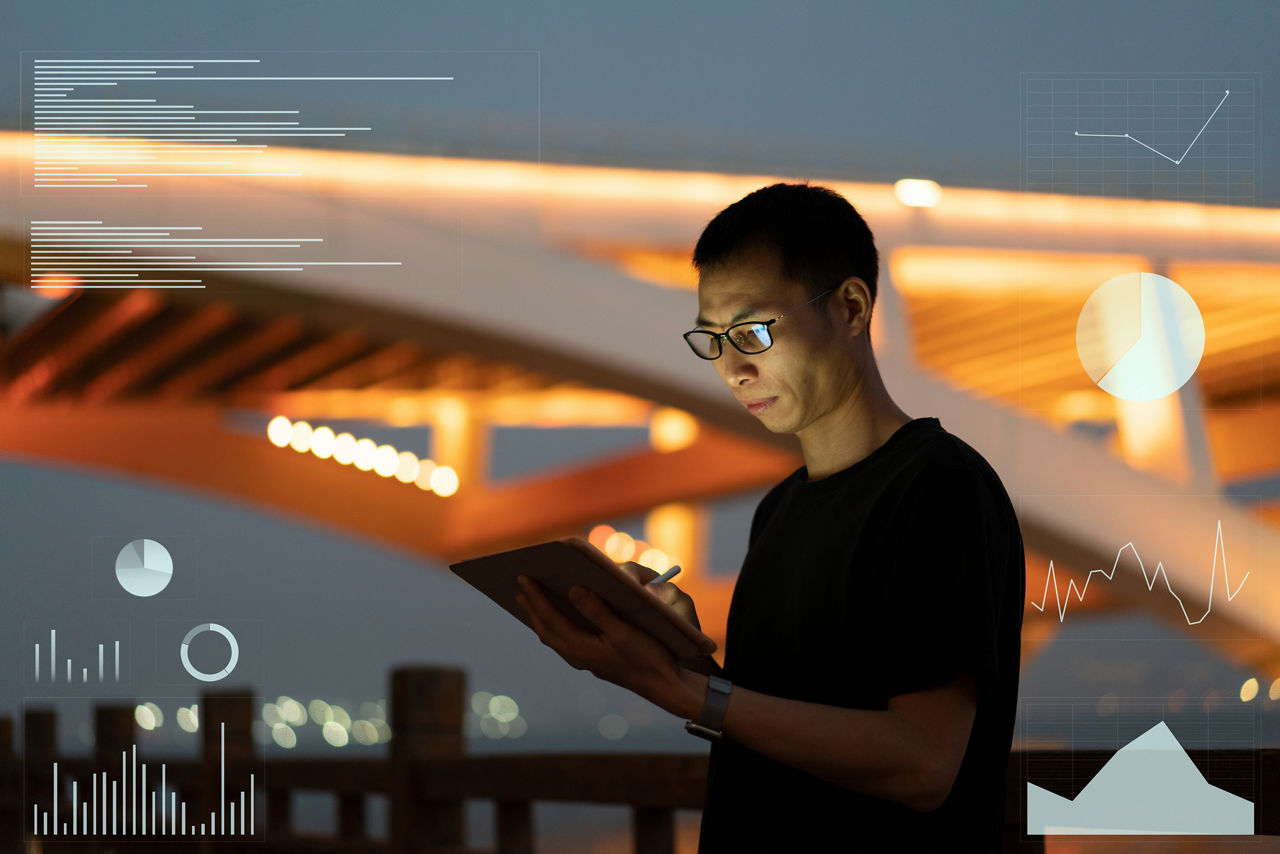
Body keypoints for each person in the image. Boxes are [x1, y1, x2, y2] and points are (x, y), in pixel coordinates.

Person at [516, 182, 1024, 851]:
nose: (732, 368)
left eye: (753, 331)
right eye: (711, 339)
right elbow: (784, 720)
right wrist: (685, 659)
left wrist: (691, 695)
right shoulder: (779, 510)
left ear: (849, 308)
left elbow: (924, 762)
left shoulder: (940, 487)